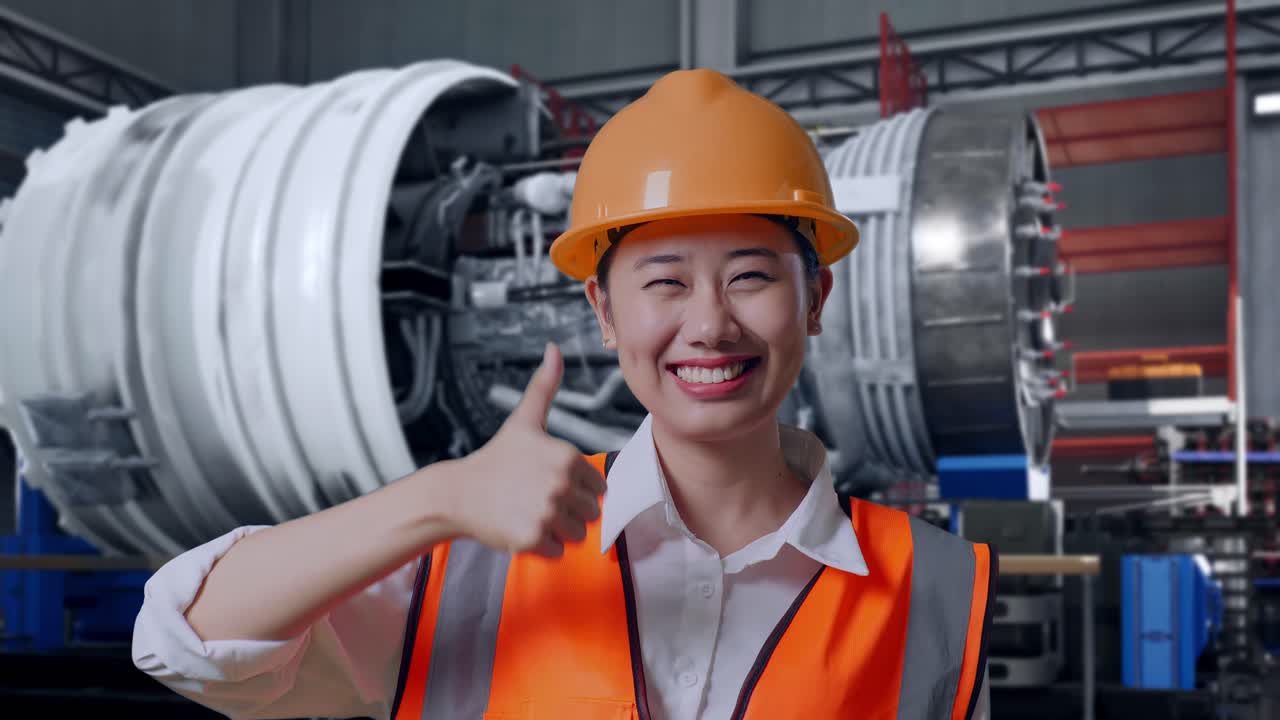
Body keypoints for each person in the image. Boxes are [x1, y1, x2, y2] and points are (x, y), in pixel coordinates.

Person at [132, 68, 995, 720]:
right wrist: (439, 497)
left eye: (749, 277)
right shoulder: (472, 563)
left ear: (814, 299)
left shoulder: (938, 592)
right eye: (664, 282)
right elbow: (185, 639)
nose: (709, 325)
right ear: (603, 312)